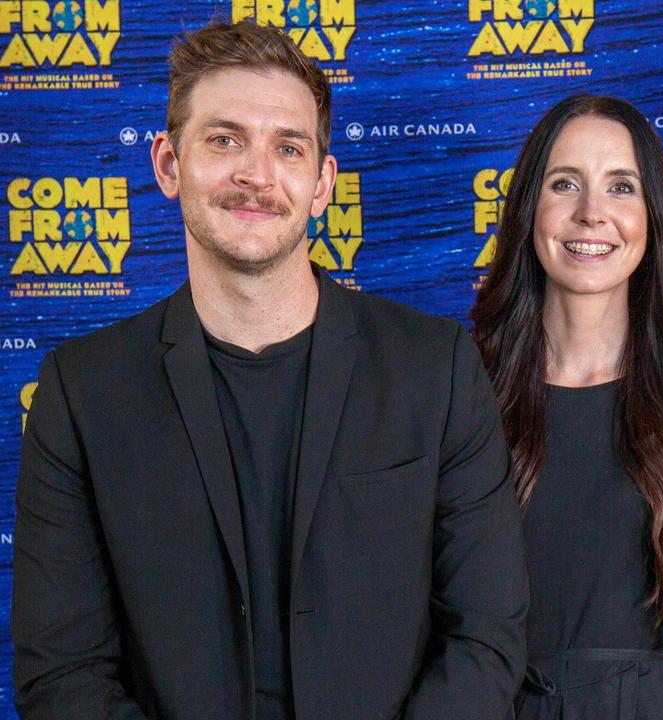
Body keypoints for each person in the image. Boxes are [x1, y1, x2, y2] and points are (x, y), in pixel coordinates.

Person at [11, 21, 527, 720]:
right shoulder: (81, 393)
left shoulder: (434, 371)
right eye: (224, 140)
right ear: (168, 164)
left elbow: (486, 638)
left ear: (322, 183)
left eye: (288, 147)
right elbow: (62, 673)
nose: (256, 174)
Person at [471, 94, 663, 720]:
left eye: (621, 187)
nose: (591, 213)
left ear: (652, 214)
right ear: (530, 209)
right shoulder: (462, 388)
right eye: (564, 184)